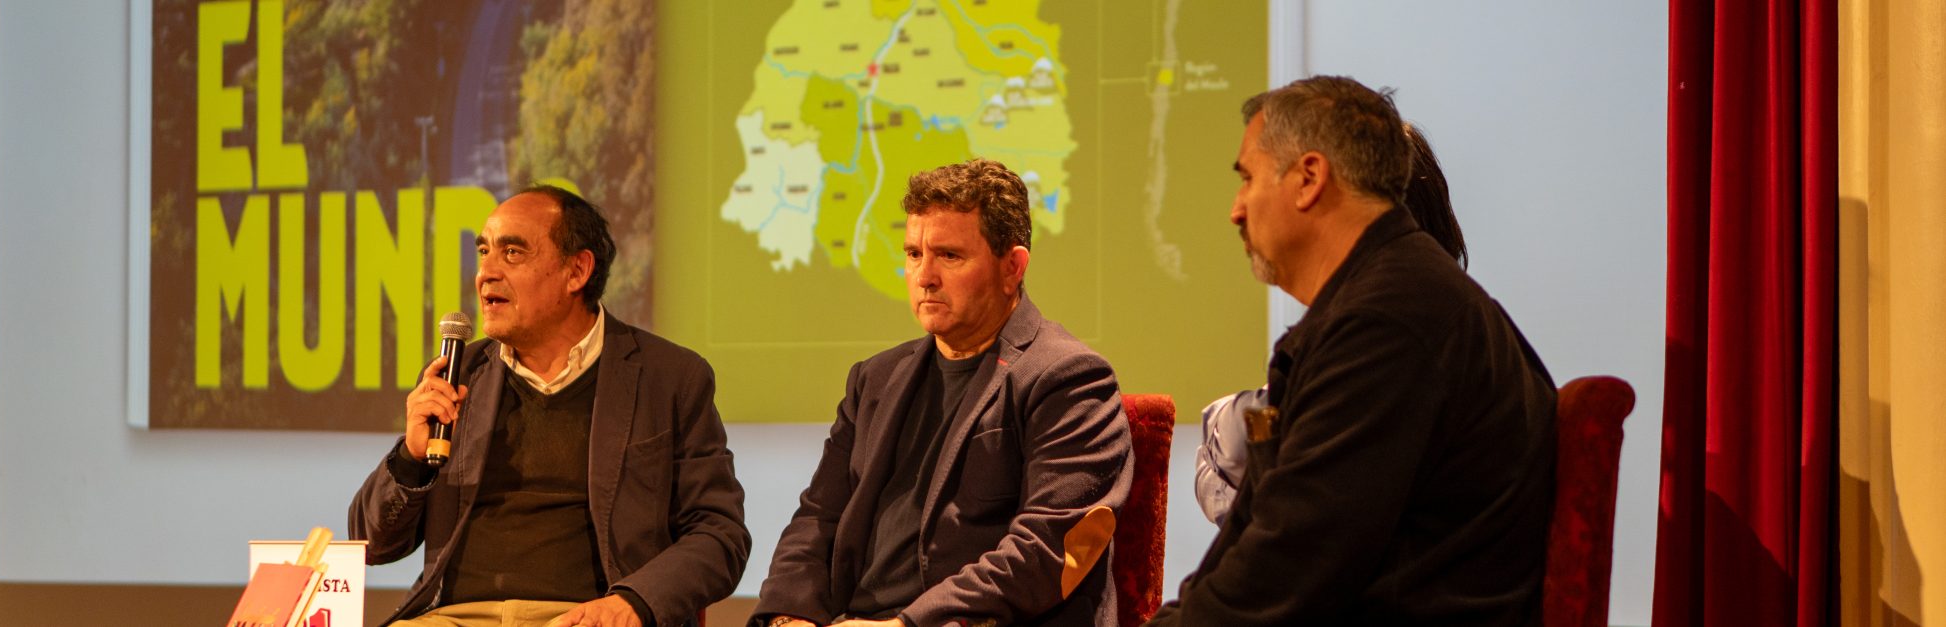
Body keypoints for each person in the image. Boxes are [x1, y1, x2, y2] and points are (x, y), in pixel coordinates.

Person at [1148, 76, 1556, 626]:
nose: (1236, 210)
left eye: (1247, 179)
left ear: (1309, 178)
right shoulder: (1382, 305)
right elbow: (1254, 552)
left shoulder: (1386, 323)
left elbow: (1284, 577)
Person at [751, 159, 1134, 627]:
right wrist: (789, 617)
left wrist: (904, 626)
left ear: (1012, 267)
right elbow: (818, 518)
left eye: (949, 256)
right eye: (914, 254)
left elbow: (1045, 550)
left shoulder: (1069, 377)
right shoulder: (875, 379)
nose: (924, 276)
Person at [349, 186, 750, 627]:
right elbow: (372, 544)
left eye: (512, 253)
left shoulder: (669, 376)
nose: (485, 274)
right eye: (483, 252)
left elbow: (720, 534)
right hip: (453, 618)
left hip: (585, 618)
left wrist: (632, 603)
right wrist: (411, 459)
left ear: (576, 271)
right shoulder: (457, 375)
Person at [1194, 122, 1467, 525]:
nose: (1238, 212)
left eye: (1252, 182)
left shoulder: (1386, 334)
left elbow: (1300, 522)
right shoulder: (1435, 316)